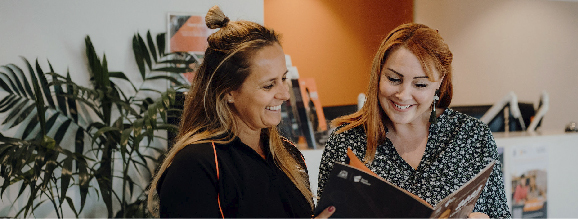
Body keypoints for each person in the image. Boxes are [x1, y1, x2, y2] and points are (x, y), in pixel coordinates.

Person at [147, 6, 335, 218]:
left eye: (283, 78)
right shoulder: (196, 165)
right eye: (268, 85)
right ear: (228, 92)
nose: (284, 94)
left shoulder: (289, 155)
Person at [317, 23, 511, 218]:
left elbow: (499, 214)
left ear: (440, 82)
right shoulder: (345, 141)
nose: (403, 95)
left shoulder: (473, 137)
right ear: (378, 74)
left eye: (420, 84)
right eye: (393, 79)